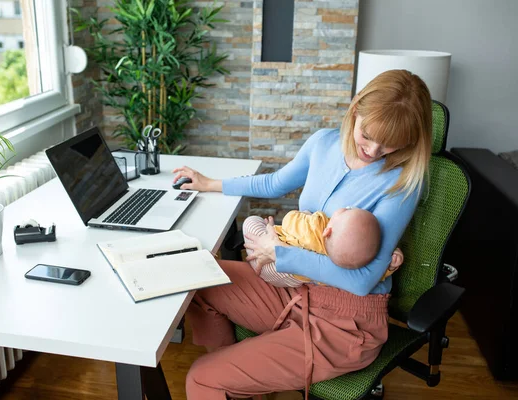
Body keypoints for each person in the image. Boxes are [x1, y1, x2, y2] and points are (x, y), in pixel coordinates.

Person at [173, 69, 432, 400]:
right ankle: (236, 384)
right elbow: (274, 183)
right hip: (296, 288)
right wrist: (210, 183)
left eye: (391, 142)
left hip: (345, 323)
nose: (374, 149)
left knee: (201, 380)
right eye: (367, 133)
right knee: (199, 277)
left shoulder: (402, 183)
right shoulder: (324, 143)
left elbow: (362, 281)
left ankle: (221, 382)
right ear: (355, 110)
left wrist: (279, 252)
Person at [243, 209, 404, 288]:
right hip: (296, 280)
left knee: (250, 222)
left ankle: (267, 233)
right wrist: (389, 266)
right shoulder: (351, 259)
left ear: (328, 230)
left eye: (346, 210)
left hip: (272, 266)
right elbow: (376, 273)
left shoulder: (317, 226)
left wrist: (304, 214)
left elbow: (289, 220)